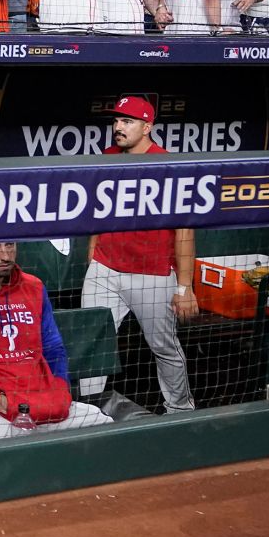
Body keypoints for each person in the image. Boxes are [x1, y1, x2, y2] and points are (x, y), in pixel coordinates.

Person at [82, 95, 197, 414]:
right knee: (90, 341)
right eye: (116, 121)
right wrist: (94, 246)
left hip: (152, 274)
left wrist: (184, 287)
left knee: (164, 347)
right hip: (105, 271)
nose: (118, 127)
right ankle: (86, 409)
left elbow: (184, 229)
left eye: (127, 121)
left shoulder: (168, 165)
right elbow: (99, 208)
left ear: (148, 127)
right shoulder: (107, 157)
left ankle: (180, 410)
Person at [0, 240, 114, 442]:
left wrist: (60, 388)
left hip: (41, 400)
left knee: (100, 424)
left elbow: (53, 348)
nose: (5, 256)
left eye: (10, 245)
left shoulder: (33, 286)